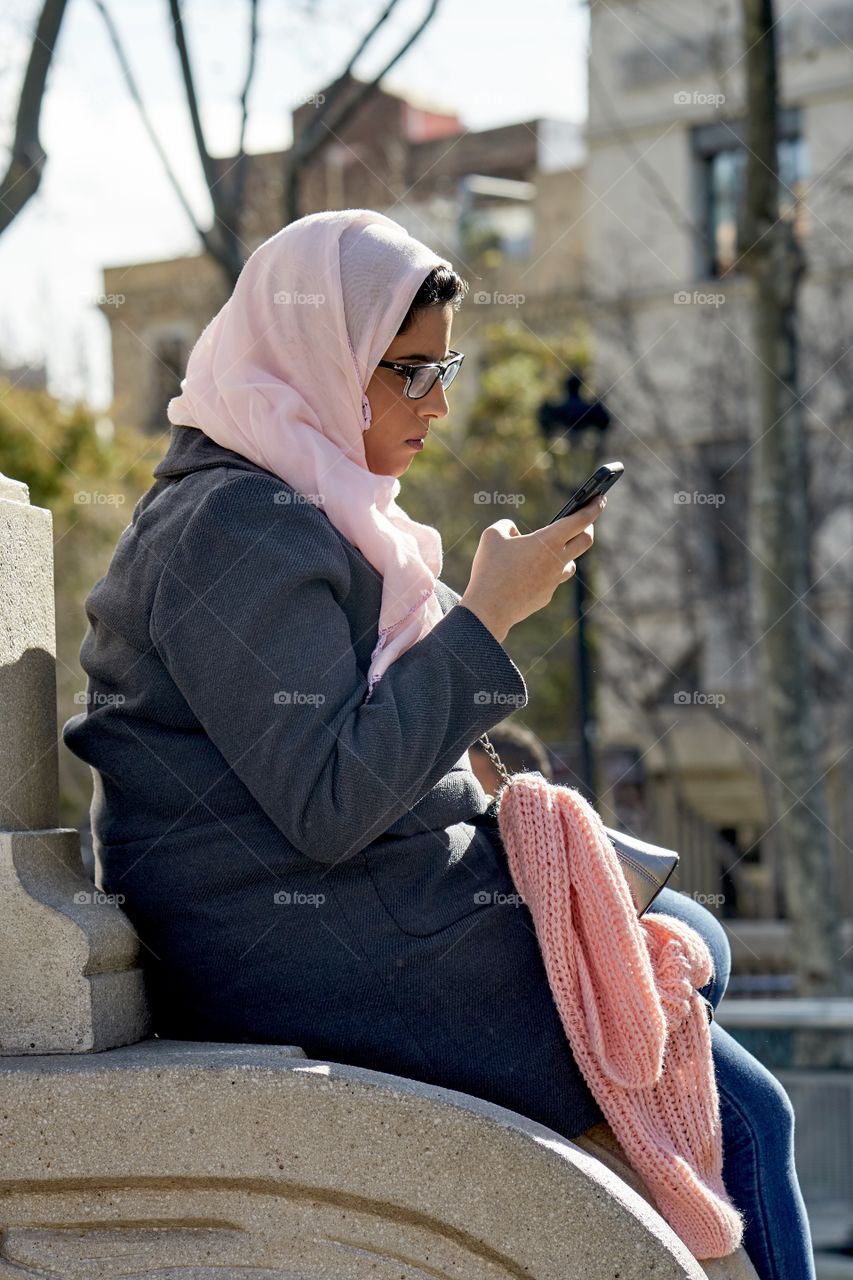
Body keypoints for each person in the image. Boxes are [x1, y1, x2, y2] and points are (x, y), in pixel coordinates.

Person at [62, 209, 813, 1280]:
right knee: (752, 1115)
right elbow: (327, 797)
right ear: (322, 354)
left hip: (355, 905)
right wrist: (485, 618)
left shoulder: (287, 498)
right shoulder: (235, 525)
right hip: (300, 942)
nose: (440, 404)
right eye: (408, 371)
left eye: (442, 366)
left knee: (694, 935)